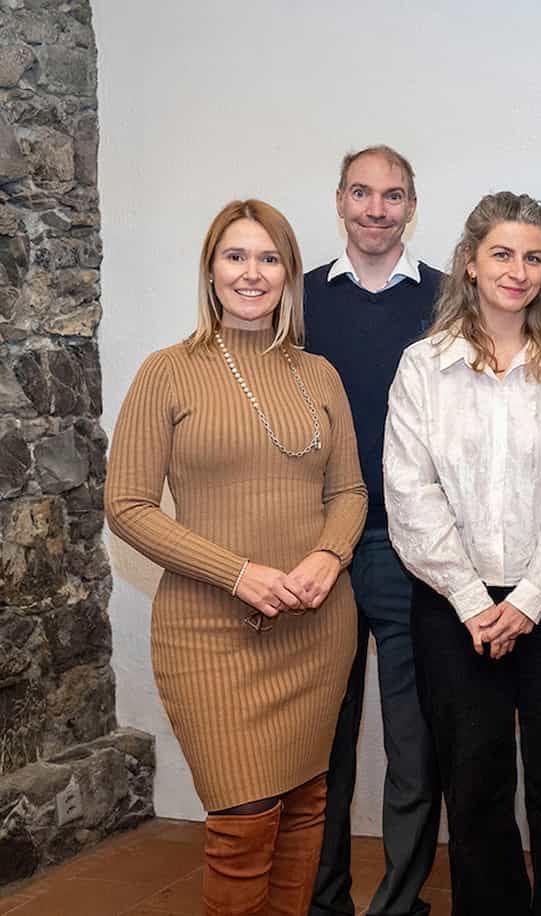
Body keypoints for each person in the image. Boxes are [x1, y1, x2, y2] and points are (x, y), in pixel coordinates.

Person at [106, 199, 367, 915]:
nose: (252, 273)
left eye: (269, 258)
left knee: (306, 805)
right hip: (208, 631)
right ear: (211, 270)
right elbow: (126, 505)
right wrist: (239, 573)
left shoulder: (319, 375)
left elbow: (349, 490)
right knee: (244, 817)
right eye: (235, 256)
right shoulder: (167, 371)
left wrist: (329, 556)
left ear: (289, 275)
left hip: (315, 627)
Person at [383, 191, 541, 916]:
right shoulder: (423, 367)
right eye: (502, 254)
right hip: (455, 607)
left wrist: (531, 599)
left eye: (533, 257)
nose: (518, 271)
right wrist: (473, 601)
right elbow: (410, 493)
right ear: (470, 263)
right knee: (474, 787)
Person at [305, 144, 444, 916]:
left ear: (411, 208)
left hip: (408, 549)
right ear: (340, 200)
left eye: (392, 196)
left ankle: (400, 906)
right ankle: (323, 901)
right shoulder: (297, 300)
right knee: (323, 742)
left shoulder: (448, 299)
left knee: (413, 747)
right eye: (361, 193)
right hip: (319, 548)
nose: (376, 209)